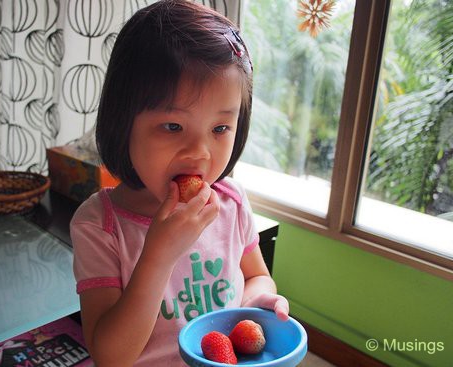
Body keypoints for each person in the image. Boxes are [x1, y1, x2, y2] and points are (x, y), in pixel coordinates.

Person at [70, 1, 289, 366]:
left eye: (220, 128)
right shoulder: (100, 225)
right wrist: (158, 254)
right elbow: (111, 357)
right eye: (173, 126)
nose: (200, 153)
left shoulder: (231, 203)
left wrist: (256, 304)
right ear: (124, 124)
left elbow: (257, 278)